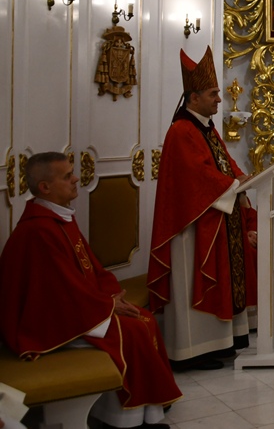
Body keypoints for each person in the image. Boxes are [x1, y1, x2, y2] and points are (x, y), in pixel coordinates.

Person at [0, 152, 180, 429]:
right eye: (67, 176)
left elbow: (91, 269)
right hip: (45, 325)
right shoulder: (38, 231)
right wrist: (107, 306)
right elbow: (56, 295)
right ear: (45, 187)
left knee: (144, 319)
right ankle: (125, 421)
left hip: (75, 310)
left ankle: (148, 409)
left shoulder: (59, 217)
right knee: (132, 330)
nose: (76, 179)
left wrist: (111, 296)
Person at [148, 46, 252, 371]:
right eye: (213, 94)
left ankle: (217, 343)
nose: (219, 99)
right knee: (192, 283)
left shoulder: (206, 127)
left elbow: (225, 162)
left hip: (215, 217)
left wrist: (242, 178)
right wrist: (233, 185)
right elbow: (197, 175)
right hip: (191, 226)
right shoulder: (182, 131)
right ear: (193, 98)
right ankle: (191, 351)